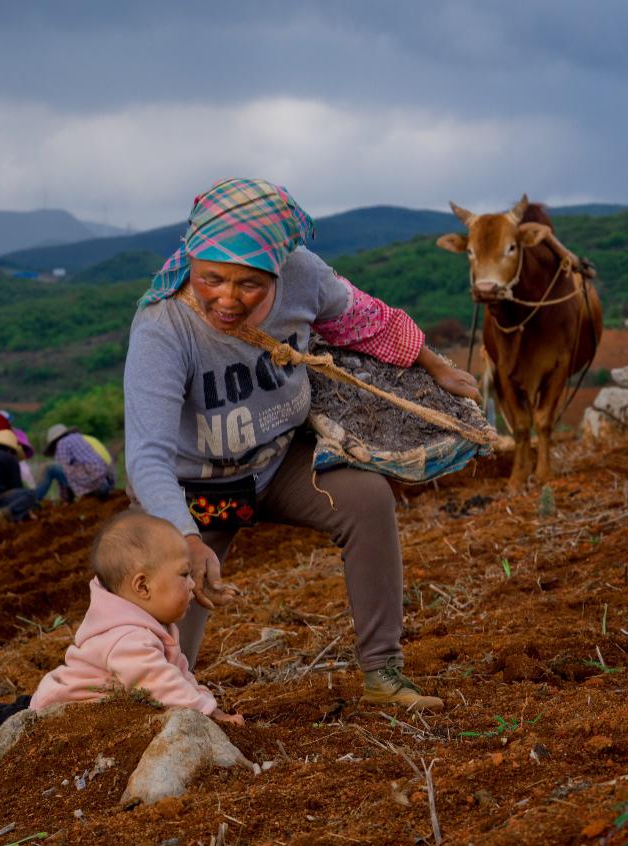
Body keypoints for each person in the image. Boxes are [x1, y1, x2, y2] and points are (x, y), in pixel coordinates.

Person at [124, 177, 481, 711]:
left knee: (366, 501)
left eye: (250, 284)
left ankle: (383, 674)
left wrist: (436, 367)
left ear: (277, 270)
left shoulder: (303, 275)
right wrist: (185, 538)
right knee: (165, 636)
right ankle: (164, 704)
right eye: (211, 278)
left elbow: (366, 322)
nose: (227, 297)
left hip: (277, 460)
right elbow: (147, 455)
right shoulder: (163, 327)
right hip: (191, 487)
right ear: (190, 262)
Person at [29, 511, 243, 724]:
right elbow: (162, 686)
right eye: (184, 574)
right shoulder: (128, 639)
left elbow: (178, 674)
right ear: (142, 586)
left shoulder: (152, 625)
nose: (193, 584)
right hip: (58, 713)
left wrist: (206, 702)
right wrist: (208, 713)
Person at [38, 424, 116, 503]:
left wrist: (65, 498)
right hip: (107, 480)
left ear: (55, 442)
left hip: (93, 479)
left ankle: (35, 500)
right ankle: (95, 491)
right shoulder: (84, 438)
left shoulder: (61, 443)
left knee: (50, 469)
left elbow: (63, 470)